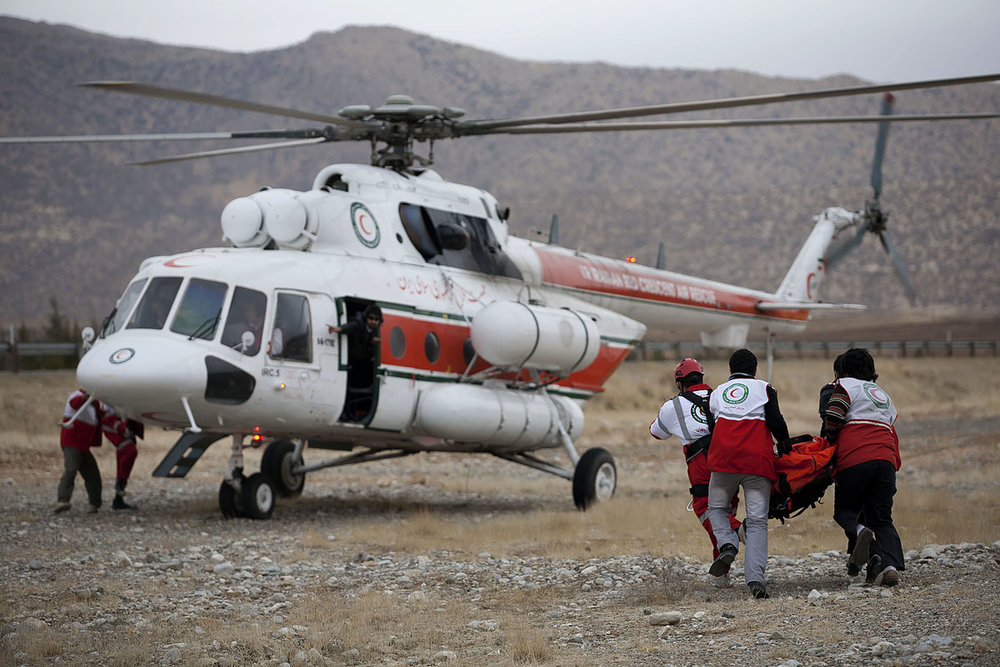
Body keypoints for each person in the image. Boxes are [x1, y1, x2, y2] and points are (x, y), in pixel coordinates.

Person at [649, 358, 743, 587]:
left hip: (702, 464)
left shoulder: (673, 406)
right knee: (725, 509)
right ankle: (722, 576)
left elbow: (656, 433)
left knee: (706, 510)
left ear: (679, 383)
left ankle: (741, 531)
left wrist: (666, 409)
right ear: (702, 378)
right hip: (731, 461)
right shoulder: (722, 395)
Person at [706, 348, 790, 599]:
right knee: (756, 522)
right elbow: (775, 421)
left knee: (717, 510)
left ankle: (728, 544)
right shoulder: (765, 389)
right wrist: (785, 442)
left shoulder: (718, 392)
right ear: (755, 370)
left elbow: (713, 425)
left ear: (730, 370)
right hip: (757, 463)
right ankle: (756, 581)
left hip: (723, 461)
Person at [823, 347, 903, 587]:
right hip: (885, 460)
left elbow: (834, 417)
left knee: (845, 512)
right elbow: (890, 426)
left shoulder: (845, 386)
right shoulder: (883, 394)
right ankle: (888, 567)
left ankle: (860, 534)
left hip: (855, 457)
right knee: (882, 518)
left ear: (844, 370)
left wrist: (829, 440)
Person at [329, 304, 382, 419]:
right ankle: (345, 414)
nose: (373, 322)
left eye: (376, 320)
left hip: (359, 363)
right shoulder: (359, 324)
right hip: (352, 361)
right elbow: (352, 327)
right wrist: (339, 329)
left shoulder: (373, 331)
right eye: (371, 319)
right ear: (366, 318)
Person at [55, 388, 103, 513]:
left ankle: (94, 504)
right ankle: (62, 500)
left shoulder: (94, 405)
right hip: (72, 443)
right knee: (71, 470)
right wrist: (85, 397)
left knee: (93, 475)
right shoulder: (77, 396)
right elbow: (74, 403)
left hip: (83, 446)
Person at [101, 404, 142, 510]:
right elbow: (119, 427)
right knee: (128, 456)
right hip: (121, 439)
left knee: (123, 465)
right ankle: (119, 486)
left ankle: (118, 499)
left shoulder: (110, 415)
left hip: (121, 438)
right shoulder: (109, 417)